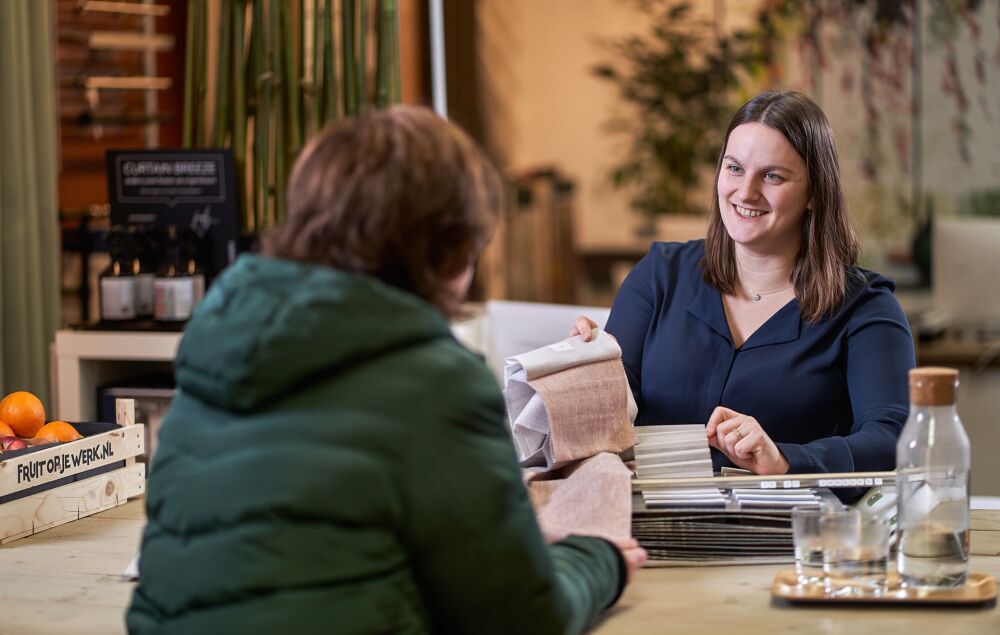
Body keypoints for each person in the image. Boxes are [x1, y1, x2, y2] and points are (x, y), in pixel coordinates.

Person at [127, 106, 645, 635]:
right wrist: (596, 560)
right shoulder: (436, 382)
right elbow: (521, 618)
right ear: (443, 250)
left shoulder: (217, 341)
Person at [573, 90, 915, 481]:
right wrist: (582, 372)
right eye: (734, 168)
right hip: (648, 528)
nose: (746, 192)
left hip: (787, 534)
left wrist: (786, 460)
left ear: (815, 194)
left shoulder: (866, 308)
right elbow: (608, 416)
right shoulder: (658, 275)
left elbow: (895, 438)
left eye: (772, 176)